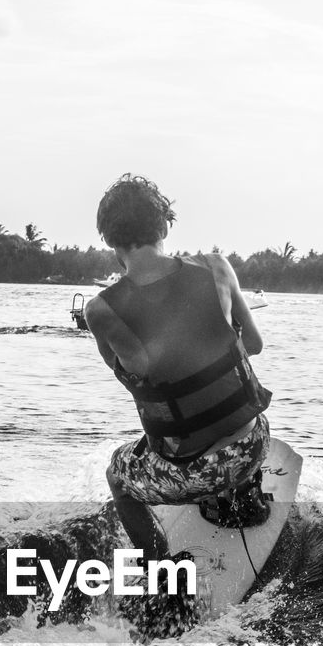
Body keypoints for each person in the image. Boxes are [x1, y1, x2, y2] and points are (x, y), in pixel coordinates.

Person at [85, 174, 272, 559]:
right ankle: (242, 497)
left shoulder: (101, 310)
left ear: (108, 238)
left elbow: (135, 380)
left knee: (116, 475)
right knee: (236, 403)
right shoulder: (218, 267)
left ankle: (161, 571)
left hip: (190, 472)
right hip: (252, 445)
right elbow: (253, 344)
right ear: (164, 224)